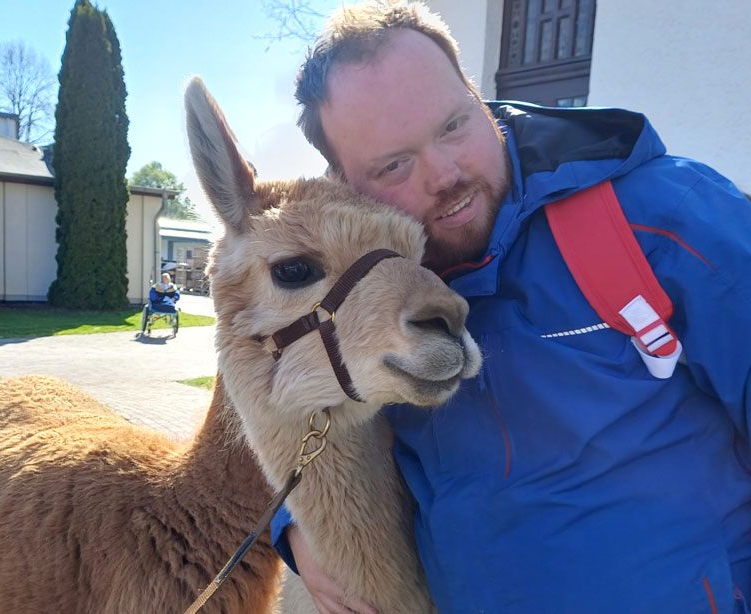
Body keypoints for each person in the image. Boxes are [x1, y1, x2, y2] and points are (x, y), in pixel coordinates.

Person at [270, 2, 751, 613]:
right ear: (343, 181)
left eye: (454, 125)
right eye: (394, 164)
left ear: (476, 94)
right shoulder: (359, 296)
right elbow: (283, 395)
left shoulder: (665, 218)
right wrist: (295, 523)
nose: (446, 174)